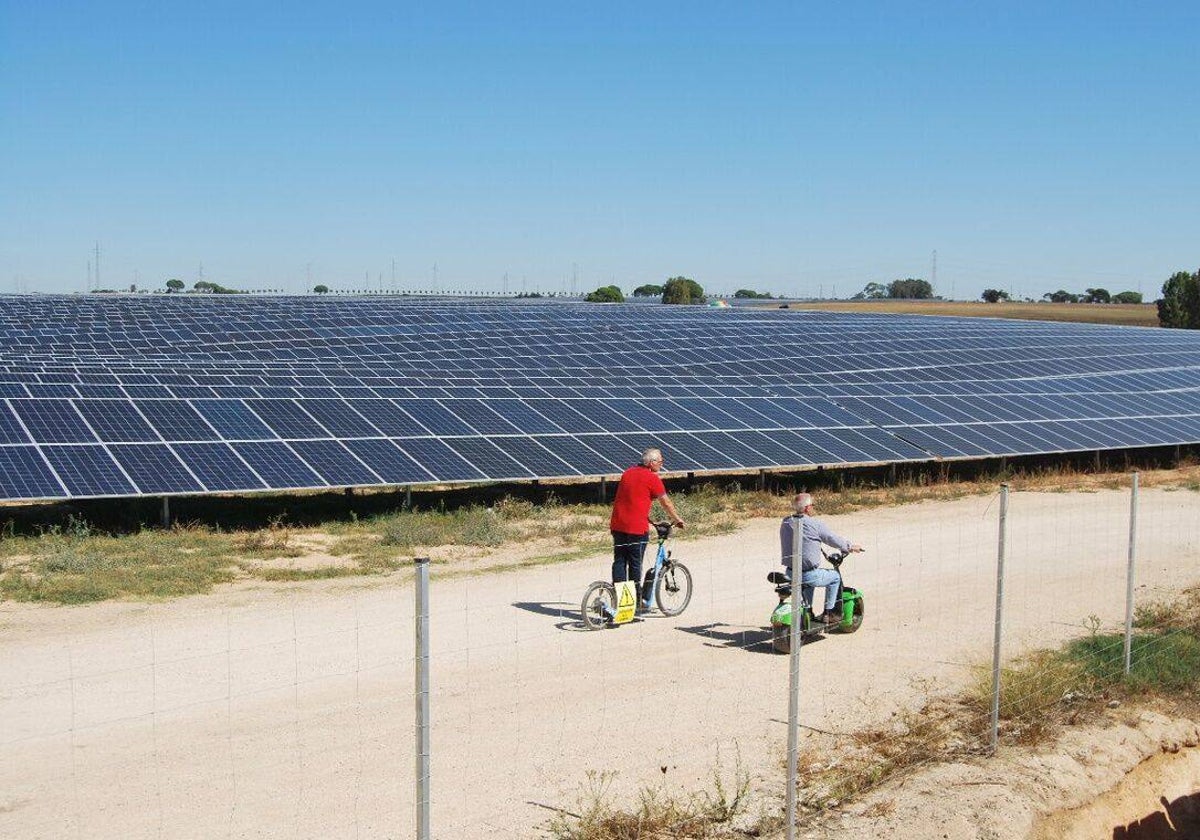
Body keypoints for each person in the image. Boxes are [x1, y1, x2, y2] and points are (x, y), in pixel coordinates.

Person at [610, 447, 685, 607]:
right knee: (635, 564)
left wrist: (650, 520)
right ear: (651, 463)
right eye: (660, 461)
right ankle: (635, 601)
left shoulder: (627, 473)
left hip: (617, 524)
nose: (662, 464)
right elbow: (666, 503)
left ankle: (618, 597)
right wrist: (677, 519)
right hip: (636, 529)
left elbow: (632, 499)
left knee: (620, 561)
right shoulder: (652, 479)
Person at [779, 492, 862, 623]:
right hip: (808, 574)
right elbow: (831, 538)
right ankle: (830, 614)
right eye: (812, 505)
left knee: (808, 582)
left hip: (790, 572)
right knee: (834, 577)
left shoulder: (785, 522)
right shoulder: (815, 524)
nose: (813, 507)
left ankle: (809, 612)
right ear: (807, 508)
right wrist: (850, 547)